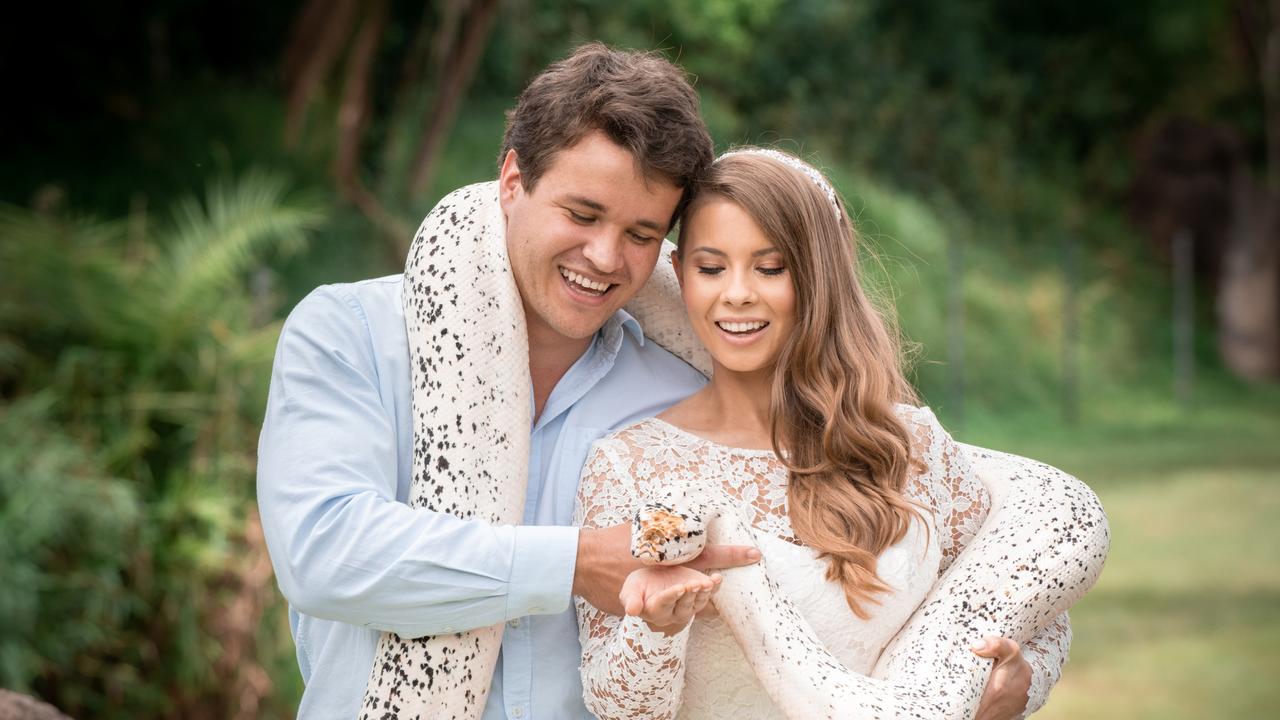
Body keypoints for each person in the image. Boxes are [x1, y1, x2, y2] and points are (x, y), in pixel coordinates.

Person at [257, 44, 1056, 719]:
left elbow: (934, 581)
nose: (605, 257)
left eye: (641, 233)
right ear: (510, 180)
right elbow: (324, 552)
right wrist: (573, 562)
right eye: (582, 213)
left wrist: (1004, 681)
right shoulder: (350, 335)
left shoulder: (676, 389)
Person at [575, 148, 1080, 719]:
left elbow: (1040, 612)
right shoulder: (631, 464)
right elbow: (616, 704)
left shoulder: (908, 445)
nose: (736, 293)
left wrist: (1023, 680)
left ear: (818, 279)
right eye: (711, 268)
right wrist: (655, 629)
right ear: (683, 275)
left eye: (770, 268)